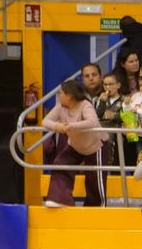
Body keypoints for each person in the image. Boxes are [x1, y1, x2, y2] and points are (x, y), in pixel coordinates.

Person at [41, 80, 105, 208]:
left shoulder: (85, 105)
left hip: (95, 145)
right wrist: (57, 126)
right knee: (60, 164)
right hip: (75, 145)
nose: (59, 96)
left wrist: (71, 126)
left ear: (69, 95)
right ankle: (61, 199)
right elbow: (45, 121)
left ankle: (96, 208)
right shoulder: (61, 106)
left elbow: (92, 121)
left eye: (61, 94)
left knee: (94, 179)